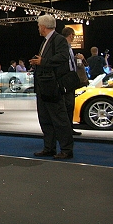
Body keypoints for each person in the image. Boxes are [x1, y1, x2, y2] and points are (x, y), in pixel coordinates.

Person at [29, 14, 73, 160]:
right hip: (43, 86)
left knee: (60, 119)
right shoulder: (46, 41)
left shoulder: (59, 39)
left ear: (44, 26)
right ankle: (49, 147)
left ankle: (66, 149)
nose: (38, 29)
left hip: (53, 86)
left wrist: (43, 61)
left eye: (38, 26)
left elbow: (62, 57)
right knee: (45, 119)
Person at [61, 27, 85, 136]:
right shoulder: (64, 47)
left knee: (70, 104)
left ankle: (69, 128)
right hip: (67, 79)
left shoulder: (69, 48)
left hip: (71, 79)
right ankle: (66, 129)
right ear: (71, 35)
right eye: (73, 36)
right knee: (67, 104)